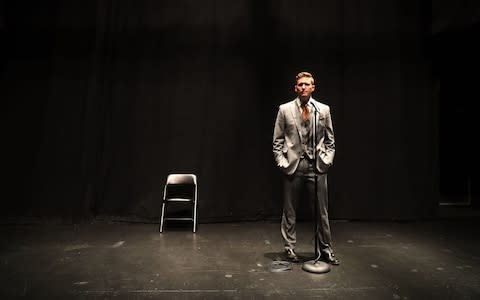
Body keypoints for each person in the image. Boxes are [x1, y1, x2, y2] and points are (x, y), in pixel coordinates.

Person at [272, 71, 339, 265]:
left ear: (313, 87)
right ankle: (290, 248)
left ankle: (325, 249)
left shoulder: (323, 110)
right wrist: (282, 163)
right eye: (300, 84)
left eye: (307, 84)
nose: (303, 87)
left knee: (321, 211)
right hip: (293, 166)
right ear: (295, 87)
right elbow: (277, 141)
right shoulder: (285, 109)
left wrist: (326, 162)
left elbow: (330, 141)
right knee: (290, 210)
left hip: (317, 167)